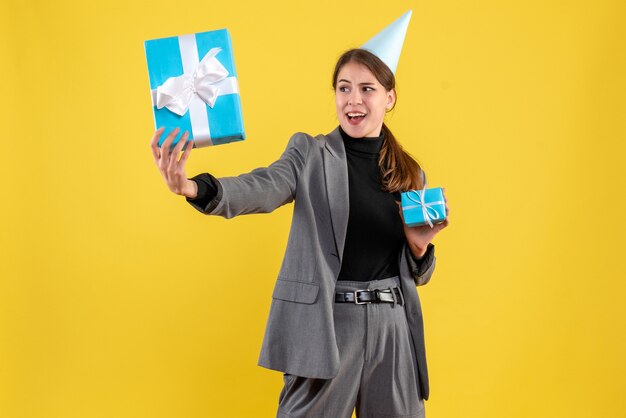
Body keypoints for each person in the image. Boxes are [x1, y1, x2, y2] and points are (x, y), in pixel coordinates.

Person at [150, 16, 449, 418]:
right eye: (344, 89)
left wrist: (419, 248)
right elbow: (264, 186)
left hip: (394, 326)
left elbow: (420, 273)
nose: (353, 100)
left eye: (366, 89)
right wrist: (195, 188)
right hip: (327, 323)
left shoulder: (410, 174)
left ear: (389, 97)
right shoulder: (310, 154)